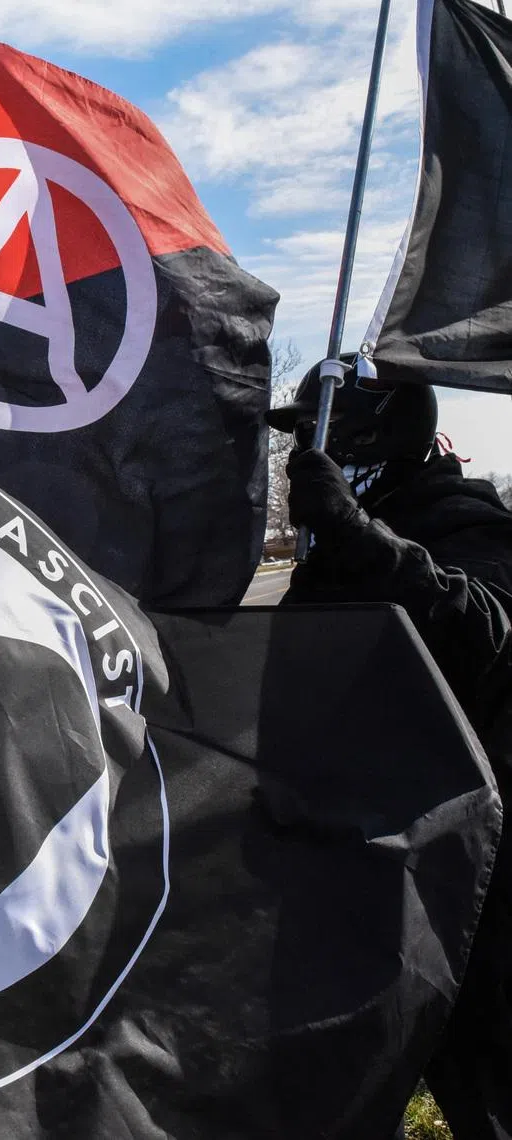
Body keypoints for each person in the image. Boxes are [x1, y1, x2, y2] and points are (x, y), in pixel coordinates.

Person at [268, 356, 512, 1140]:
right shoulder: (326, 556)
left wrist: (362, 540)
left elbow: (488, 628)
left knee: (490, 1082)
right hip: (367, 868)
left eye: (318, 433)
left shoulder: (463, 521)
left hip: (474, 879)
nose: (307, 450)